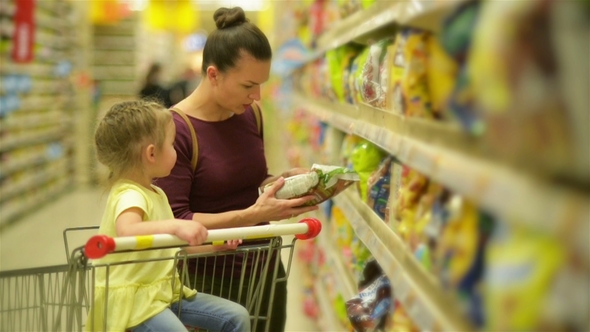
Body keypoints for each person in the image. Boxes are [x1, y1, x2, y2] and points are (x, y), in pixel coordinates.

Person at [155, 6, 319, 332]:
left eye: (261, 84)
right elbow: (176, 223)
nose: (257, 96)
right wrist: (251, 216)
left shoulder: (251, 115)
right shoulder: (177, 129)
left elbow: (251, 182)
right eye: (248, 86)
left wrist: (281, 183)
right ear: (213, 74)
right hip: (207, 280)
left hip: (266, 269)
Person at [87, 100, 251, 332]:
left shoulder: (157, 193)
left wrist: (215, 246)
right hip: (134, 303)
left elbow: (176, 247)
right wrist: (175, 225)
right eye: (173, 144)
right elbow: (127, 231)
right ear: (152, 153)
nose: (176, 150)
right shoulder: (129, 194)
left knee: (237, 317)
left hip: (164, 292)